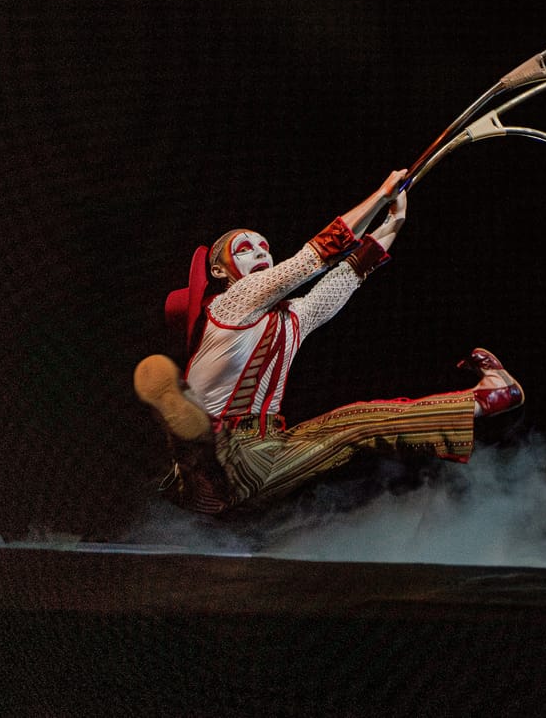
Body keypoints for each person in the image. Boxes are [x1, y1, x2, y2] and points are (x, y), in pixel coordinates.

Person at [132, 170, 524, 516]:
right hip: (222, 458)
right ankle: (183, 424)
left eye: (265, 246)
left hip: (266, 456)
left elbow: (348, 274)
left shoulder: (292, 319)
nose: (261, 252)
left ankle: (488, 397)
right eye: (245, 248)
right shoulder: (230, 301)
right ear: (219, 270)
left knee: (358, 422)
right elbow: (314, 257)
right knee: (206, 441)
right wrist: (380, 195)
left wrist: (394, 220)